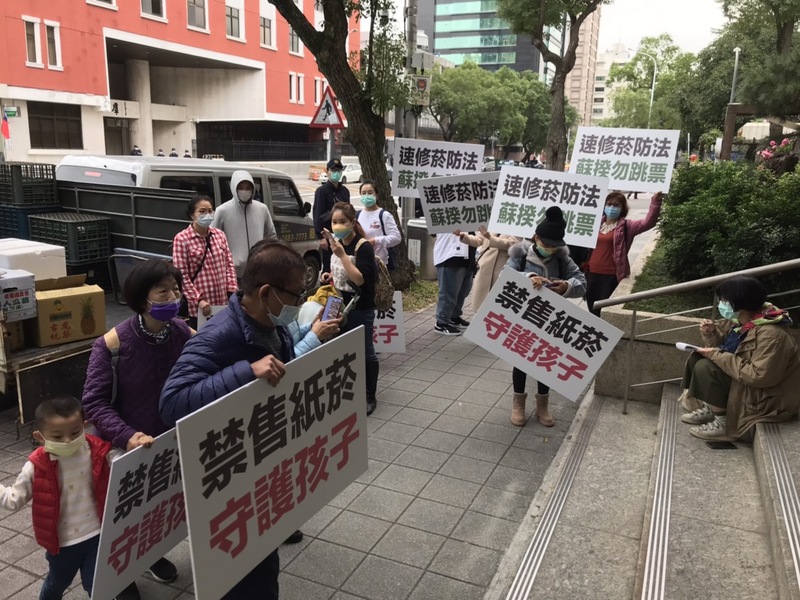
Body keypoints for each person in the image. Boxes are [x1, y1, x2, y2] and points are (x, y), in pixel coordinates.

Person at [159, 241, 341, 600]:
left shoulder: (271, 323)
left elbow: (282, 370)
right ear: (266, 292)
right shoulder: (218, 335)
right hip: (229, 473)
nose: (300, 301)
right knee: (246, 577)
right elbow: (172, 402)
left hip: (260, 459)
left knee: (263, 568)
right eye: (296, 294)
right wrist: (245, 372)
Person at [82, 259, 193, 600]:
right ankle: (120, 578)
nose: (173, 298)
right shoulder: (112, 344)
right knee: (121, 517)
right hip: (126, 448)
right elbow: (94, 403)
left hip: (167, 442)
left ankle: (151, 553)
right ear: (142, 298)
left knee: (157, 508)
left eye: (176, 290)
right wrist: (127, 435)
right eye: (163, 292)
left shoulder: (183, 333)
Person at [0, 397, 120, 600]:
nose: (67, 441)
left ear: (84, 425)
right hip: (62, 544)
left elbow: (122, 463)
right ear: (39, 436)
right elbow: (13, 500)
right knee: (57, 583)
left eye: (74, 433)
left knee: (97, 585)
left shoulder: (98, 451)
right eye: (57, 436)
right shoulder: (36, 466)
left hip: (98, 534)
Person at [679, 276, 800, 441]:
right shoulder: (741, 321)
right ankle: (712, 408)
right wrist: (712, 334)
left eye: (724, 300)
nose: (721, 304)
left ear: (741, 301)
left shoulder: (772, 335)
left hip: (767, 396)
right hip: (746, 383)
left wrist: (716, 354)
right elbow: (728, 349)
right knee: (697, 357)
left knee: (705, 367)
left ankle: (724, 424)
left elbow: (758, 376)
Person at [506, 206, 587, 427]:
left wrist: (567, 286)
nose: (550, 248)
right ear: (536, 238)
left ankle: (543, 405)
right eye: (546, 244)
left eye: (554, 246)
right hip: (524, 316)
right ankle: (518, 403)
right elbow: (506, 276)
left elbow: (582, 282)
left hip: (550, 319)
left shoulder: (562, 259)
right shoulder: (520, 255)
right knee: (521, 359)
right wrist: (529, 277)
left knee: (545, 359)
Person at [320, 202, 379, 415]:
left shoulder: (363, 247)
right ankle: (343, 388)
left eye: (342, 221)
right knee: (335, 346)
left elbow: (360, 279)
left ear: (353, 223)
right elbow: (335, 273)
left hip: (359, 306)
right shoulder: (335, 243)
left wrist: (343, 256)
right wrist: (327, 276)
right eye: (334, 222)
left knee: (365, 350)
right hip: (336, 302)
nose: (337, 226)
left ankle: (369, 395)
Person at [584, 191, 663, 317]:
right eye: (609, 204)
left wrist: (656, 201)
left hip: (611, 276)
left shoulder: (627, 226)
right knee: (592, 309)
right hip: (591, 274)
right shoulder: (594, 223)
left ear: (622, 208)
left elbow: (649, 222)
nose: (611, 207)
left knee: (604, 312)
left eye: (616, 205)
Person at [173, 195, 238, 329]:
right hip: (199, 308)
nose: (207, 215)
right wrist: (198, 300)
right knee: (201, 337)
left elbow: (229, 264)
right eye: (202, 211)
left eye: (210, 211)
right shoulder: (182, 239)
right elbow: (181, 274)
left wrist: (232, 290)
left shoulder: (219, 235)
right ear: (192, 215)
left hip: (222, 304)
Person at [212, 170, 277, 280]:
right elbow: (213, 241)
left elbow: (271, 236)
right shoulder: (222, 211)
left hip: (257, 270)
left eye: (248, 188)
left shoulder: (262, 209)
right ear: (234, 188)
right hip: (232, 274)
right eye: (241, 188)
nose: (245, 191)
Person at [455, 225, 519, 310]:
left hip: (502, 269)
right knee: (481, 305)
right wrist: (464, 236)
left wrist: (489, 236)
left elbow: (512, 244)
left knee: (498, 306)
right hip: (485, 267)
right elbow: (478, 240)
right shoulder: (494, 223)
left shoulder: (518, 226)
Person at [433, 232, 477, 336]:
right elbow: (433, 231)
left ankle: (454, 316)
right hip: (450, 256)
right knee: (448, 291)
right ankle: (441, 322)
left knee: (463, 291)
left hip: (469, 257)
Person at [313, 158, 351, 272]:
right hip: (329, 236)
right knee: (329, 267)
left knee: (344, 266)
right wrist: (321, 237)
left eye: (339, 170)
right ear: (327, 171)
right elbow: (317, 214)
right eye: (334, 170)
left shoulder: (345, 191)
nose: (337, 173)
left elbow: (349, 213)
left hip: (344, 236)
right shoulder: (322, 191)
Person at [355, 179, 401, 270]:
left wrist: (375, 240)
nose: (366, 196)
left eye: (370, 193)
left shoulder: (384, 215)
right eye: (363, 193)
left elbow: (396, 238)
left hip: (380, 263)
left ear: (377, 195)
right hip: (361, 261)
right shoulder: (358, 215)